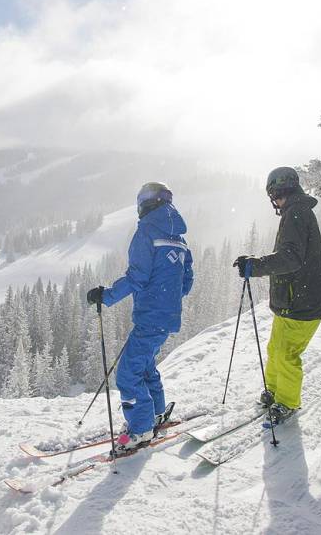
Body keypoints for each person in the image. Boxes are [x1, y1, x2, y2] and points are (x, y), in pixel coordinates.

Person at [86, 182, 194, 451]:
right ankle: (155, 414)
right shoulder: (180, 239)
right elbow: (186, 281)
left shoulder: (147, 231)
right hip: (167, 316)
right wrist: (166, 299)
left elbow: (138, 276)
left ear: (146, 203)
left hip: (151, 316)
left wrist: (106, 296)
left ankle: (141, 429)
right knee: (144, 365)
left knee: (128, 373)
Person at [235, 167, 321, 426]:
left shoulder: (297, 213)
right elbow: (290, 255)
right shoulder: (295, 212)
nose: (273, 202)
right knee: (275, 349)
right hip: (291, 302)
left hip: (303, 303)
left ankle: (287, 402)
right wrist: (257, 263)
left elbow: (291, 259)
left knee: (287, 354)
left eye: (273, 196)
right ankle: (275, 391)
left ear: (278, 191)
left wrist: (255, 266)